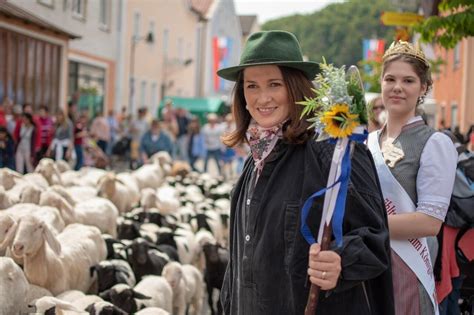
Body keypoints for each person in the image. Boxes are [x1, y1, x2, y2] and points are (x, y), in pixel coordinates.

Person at [217, 30, 394, 314]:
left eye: (274, 84)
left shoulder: (335, 152)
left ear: (295, 86)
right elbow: (240, 264)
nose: (262, 98)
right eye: (252, 86)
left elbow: (375, 239)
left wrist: (341, 260)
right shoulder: (254, 161)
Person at [367, 40, 458, 315]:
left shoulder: (435, 143)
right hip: (366, 263)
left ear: (423, 88)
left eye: (408, 80)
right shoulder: (367, 142)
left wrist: (364, 224)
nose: (397, 87)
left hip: (407, 268)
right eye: (390, 79)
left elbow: (429, 223)